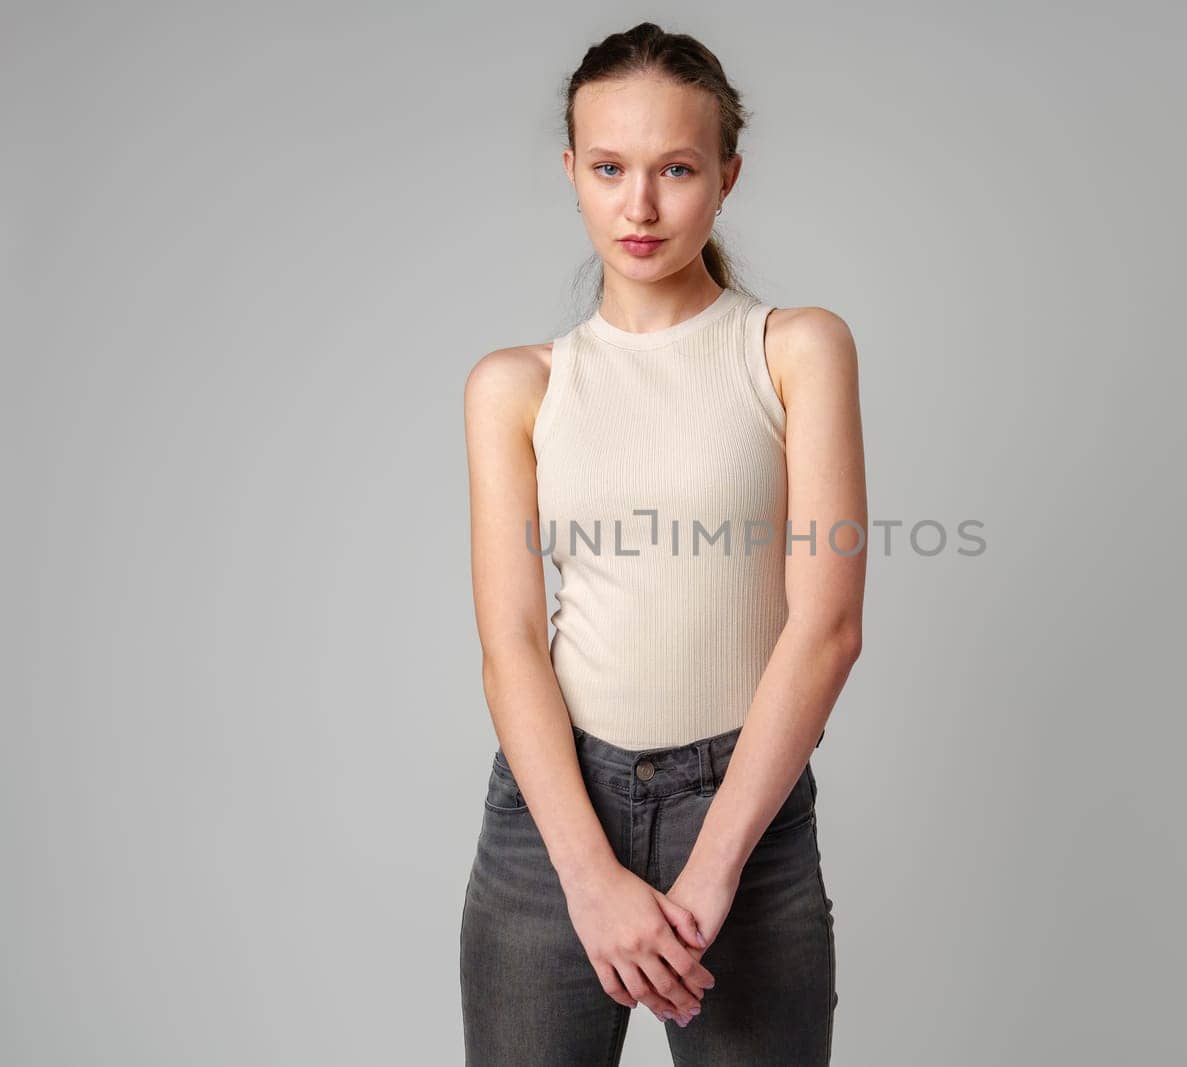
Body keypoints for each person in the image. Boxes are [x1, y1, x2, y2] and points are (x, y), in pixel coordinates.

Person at [458, 21, 867, 1065]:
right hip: (551, 819)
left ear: (727, 175)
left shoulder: (793, 351)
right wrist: (588, 877)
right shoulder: (516, 386)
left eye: (675, 169)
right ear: (572, 173)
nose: (639, 206)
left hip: (745, 811)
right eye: (609, 169)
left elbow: (825, 626)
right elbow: (509, 641)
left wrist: (715, 864)